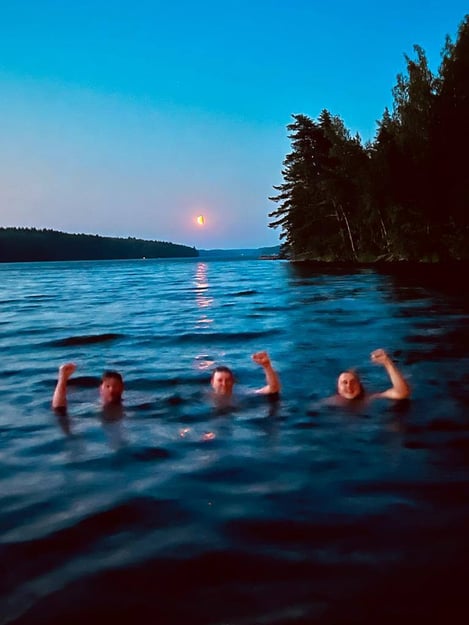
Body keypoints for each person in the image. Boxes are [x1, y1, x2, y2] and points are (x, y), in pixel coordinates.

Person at [330, 348, 410, 406]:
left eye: (353, 382)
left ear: (359, 386)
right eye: (344, 382)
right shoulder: (332, 402)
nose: (349, 386)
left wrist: (388, 363)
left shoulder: (369, 398)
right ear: (339, 389)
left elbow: (402, 393)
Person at [52, 363, 124, 411]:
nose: (111, 390)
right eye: (107, 386)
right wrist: (62, 379)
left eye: (116, 386)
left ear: (122, 388)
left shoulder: (129, 402)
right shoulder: (91, 407)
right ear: (101, 389)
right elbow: (58, 408)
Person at [210, 351, 281, 399]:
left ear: (233, 382)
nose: (224, 384)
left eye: (228, 380)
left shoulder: (240, 394)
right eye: (220, 380)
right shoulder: (205, 397)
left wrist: (267, 366)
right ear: (212, 382)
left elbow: (273, 389)